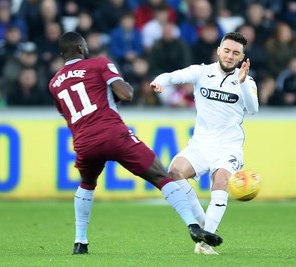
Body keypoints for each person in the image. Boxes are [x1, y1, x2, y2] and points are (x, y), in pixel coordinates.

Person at [48, 31, 223, 255]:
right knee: (161, 175)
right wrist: (121, 90)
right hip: (113, 133)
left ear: (62, 54)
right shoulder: (99, 63)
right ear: (82, 49)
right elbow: (126, 94)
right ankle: (193, 225)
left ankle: (80, 242)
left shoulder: (54, 83)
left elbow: (68, 114)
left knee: (87, 183)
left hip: (84, 141)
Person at [150, 32, 259, 255]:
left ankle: (205, 242)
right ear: (219, 50)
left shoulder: (246, 80)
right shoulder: (202, 72)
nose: (230, 56)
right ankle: (204, 228)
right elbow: (173, 76)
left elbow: (254, 109)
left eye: (235, 53)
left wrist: (242, 84)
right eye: (227, 50)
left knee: (220, 181)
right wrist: (159, 81)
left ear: (241, 57)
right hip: (201, 144)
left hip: (228, 146)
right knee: (174, 171)